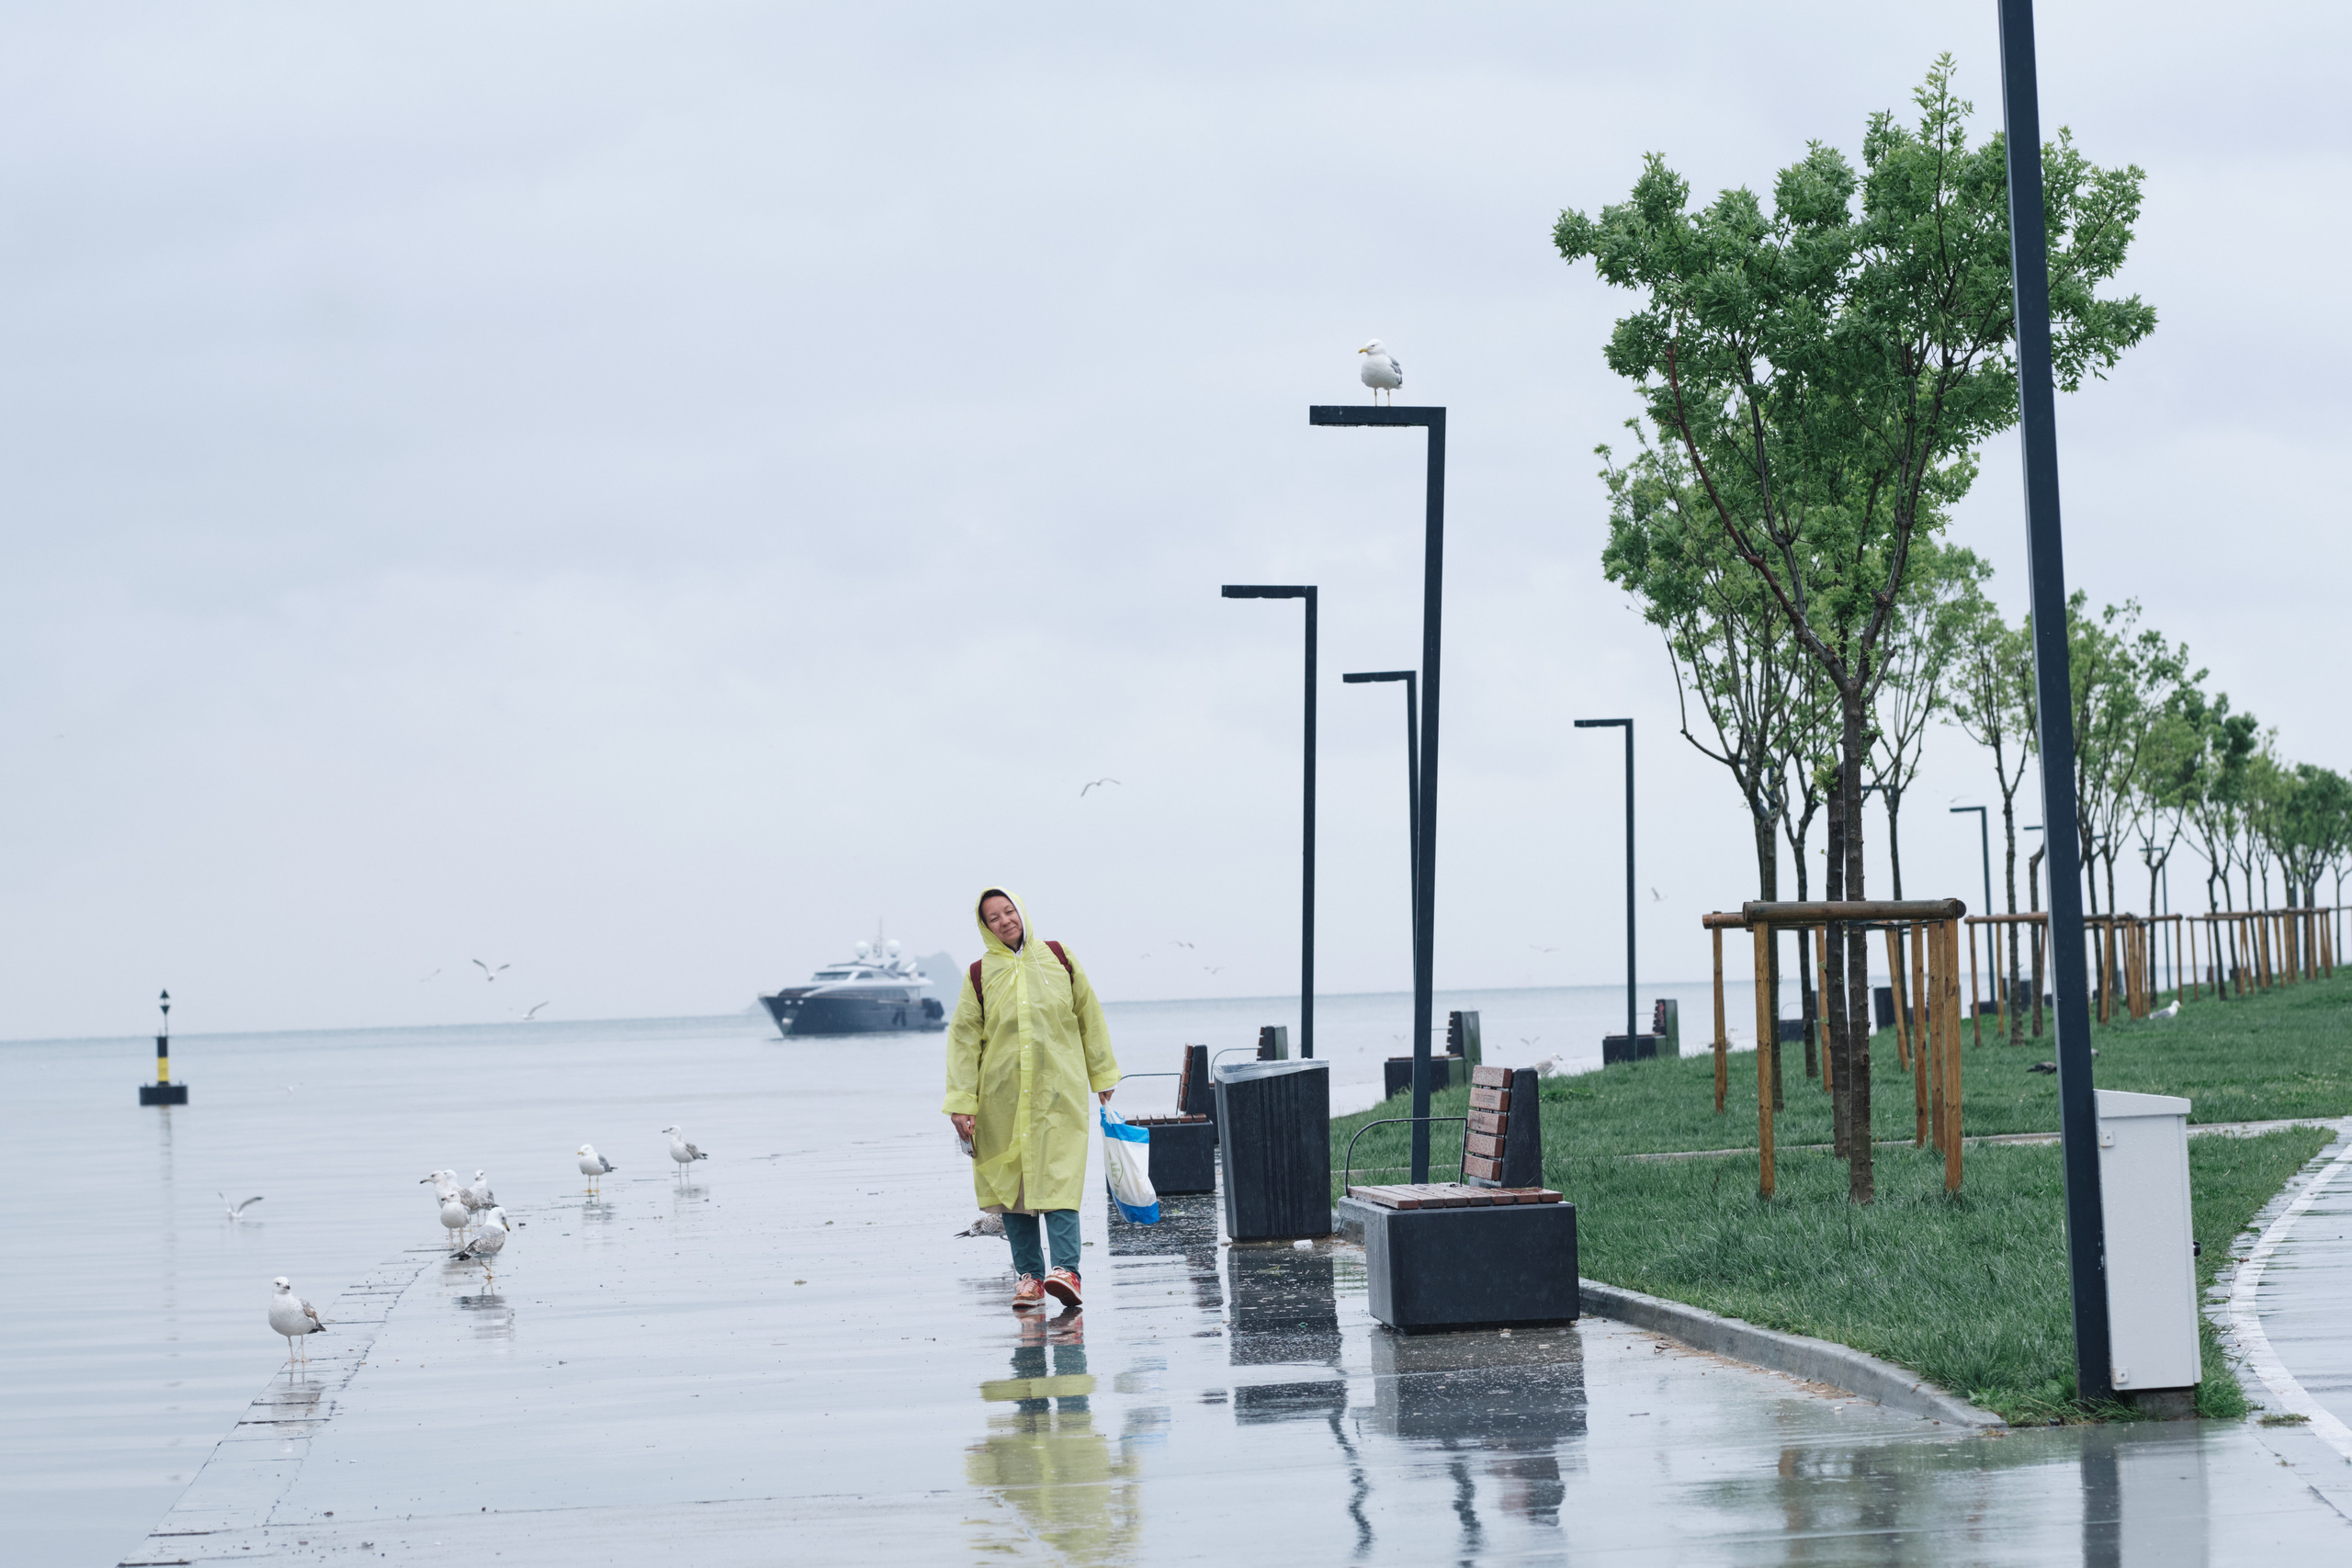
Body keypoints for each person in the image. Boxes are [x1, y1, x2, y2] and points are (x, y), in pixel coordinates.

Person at [944, 887, 1119, 1309]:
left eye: (1009, 911)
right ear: (985, 927)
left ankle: (1067, 1272)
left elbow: (1088, 1015)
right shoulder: (978, 975)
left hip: (1059, 1093)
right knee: (1013, 1190)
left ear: (1021, 912)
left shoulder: (1058, 957)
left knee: (1059, 1179)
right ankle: (1029, 1279)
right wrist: (962, 1102)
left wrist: (1102, 1073)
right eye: (994, 918)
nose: (1005, 921)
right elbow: (964, 1040)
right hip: (999, 1100)